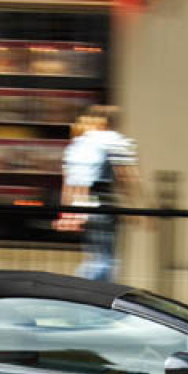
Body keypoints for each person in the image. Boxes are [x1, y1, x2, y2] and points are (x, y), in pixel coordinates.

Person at [56, 105, 143, 281]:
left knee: (95, 255)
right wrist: (136, 205)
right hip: (106, 203)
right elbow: (126, 176)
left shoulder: (80, 142)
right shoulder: (116, 141)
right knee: (107, 259)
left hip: (85, 203)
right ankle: (93, 297)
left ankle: (83, 294)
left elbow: (69, 179)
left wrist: (68, 211)